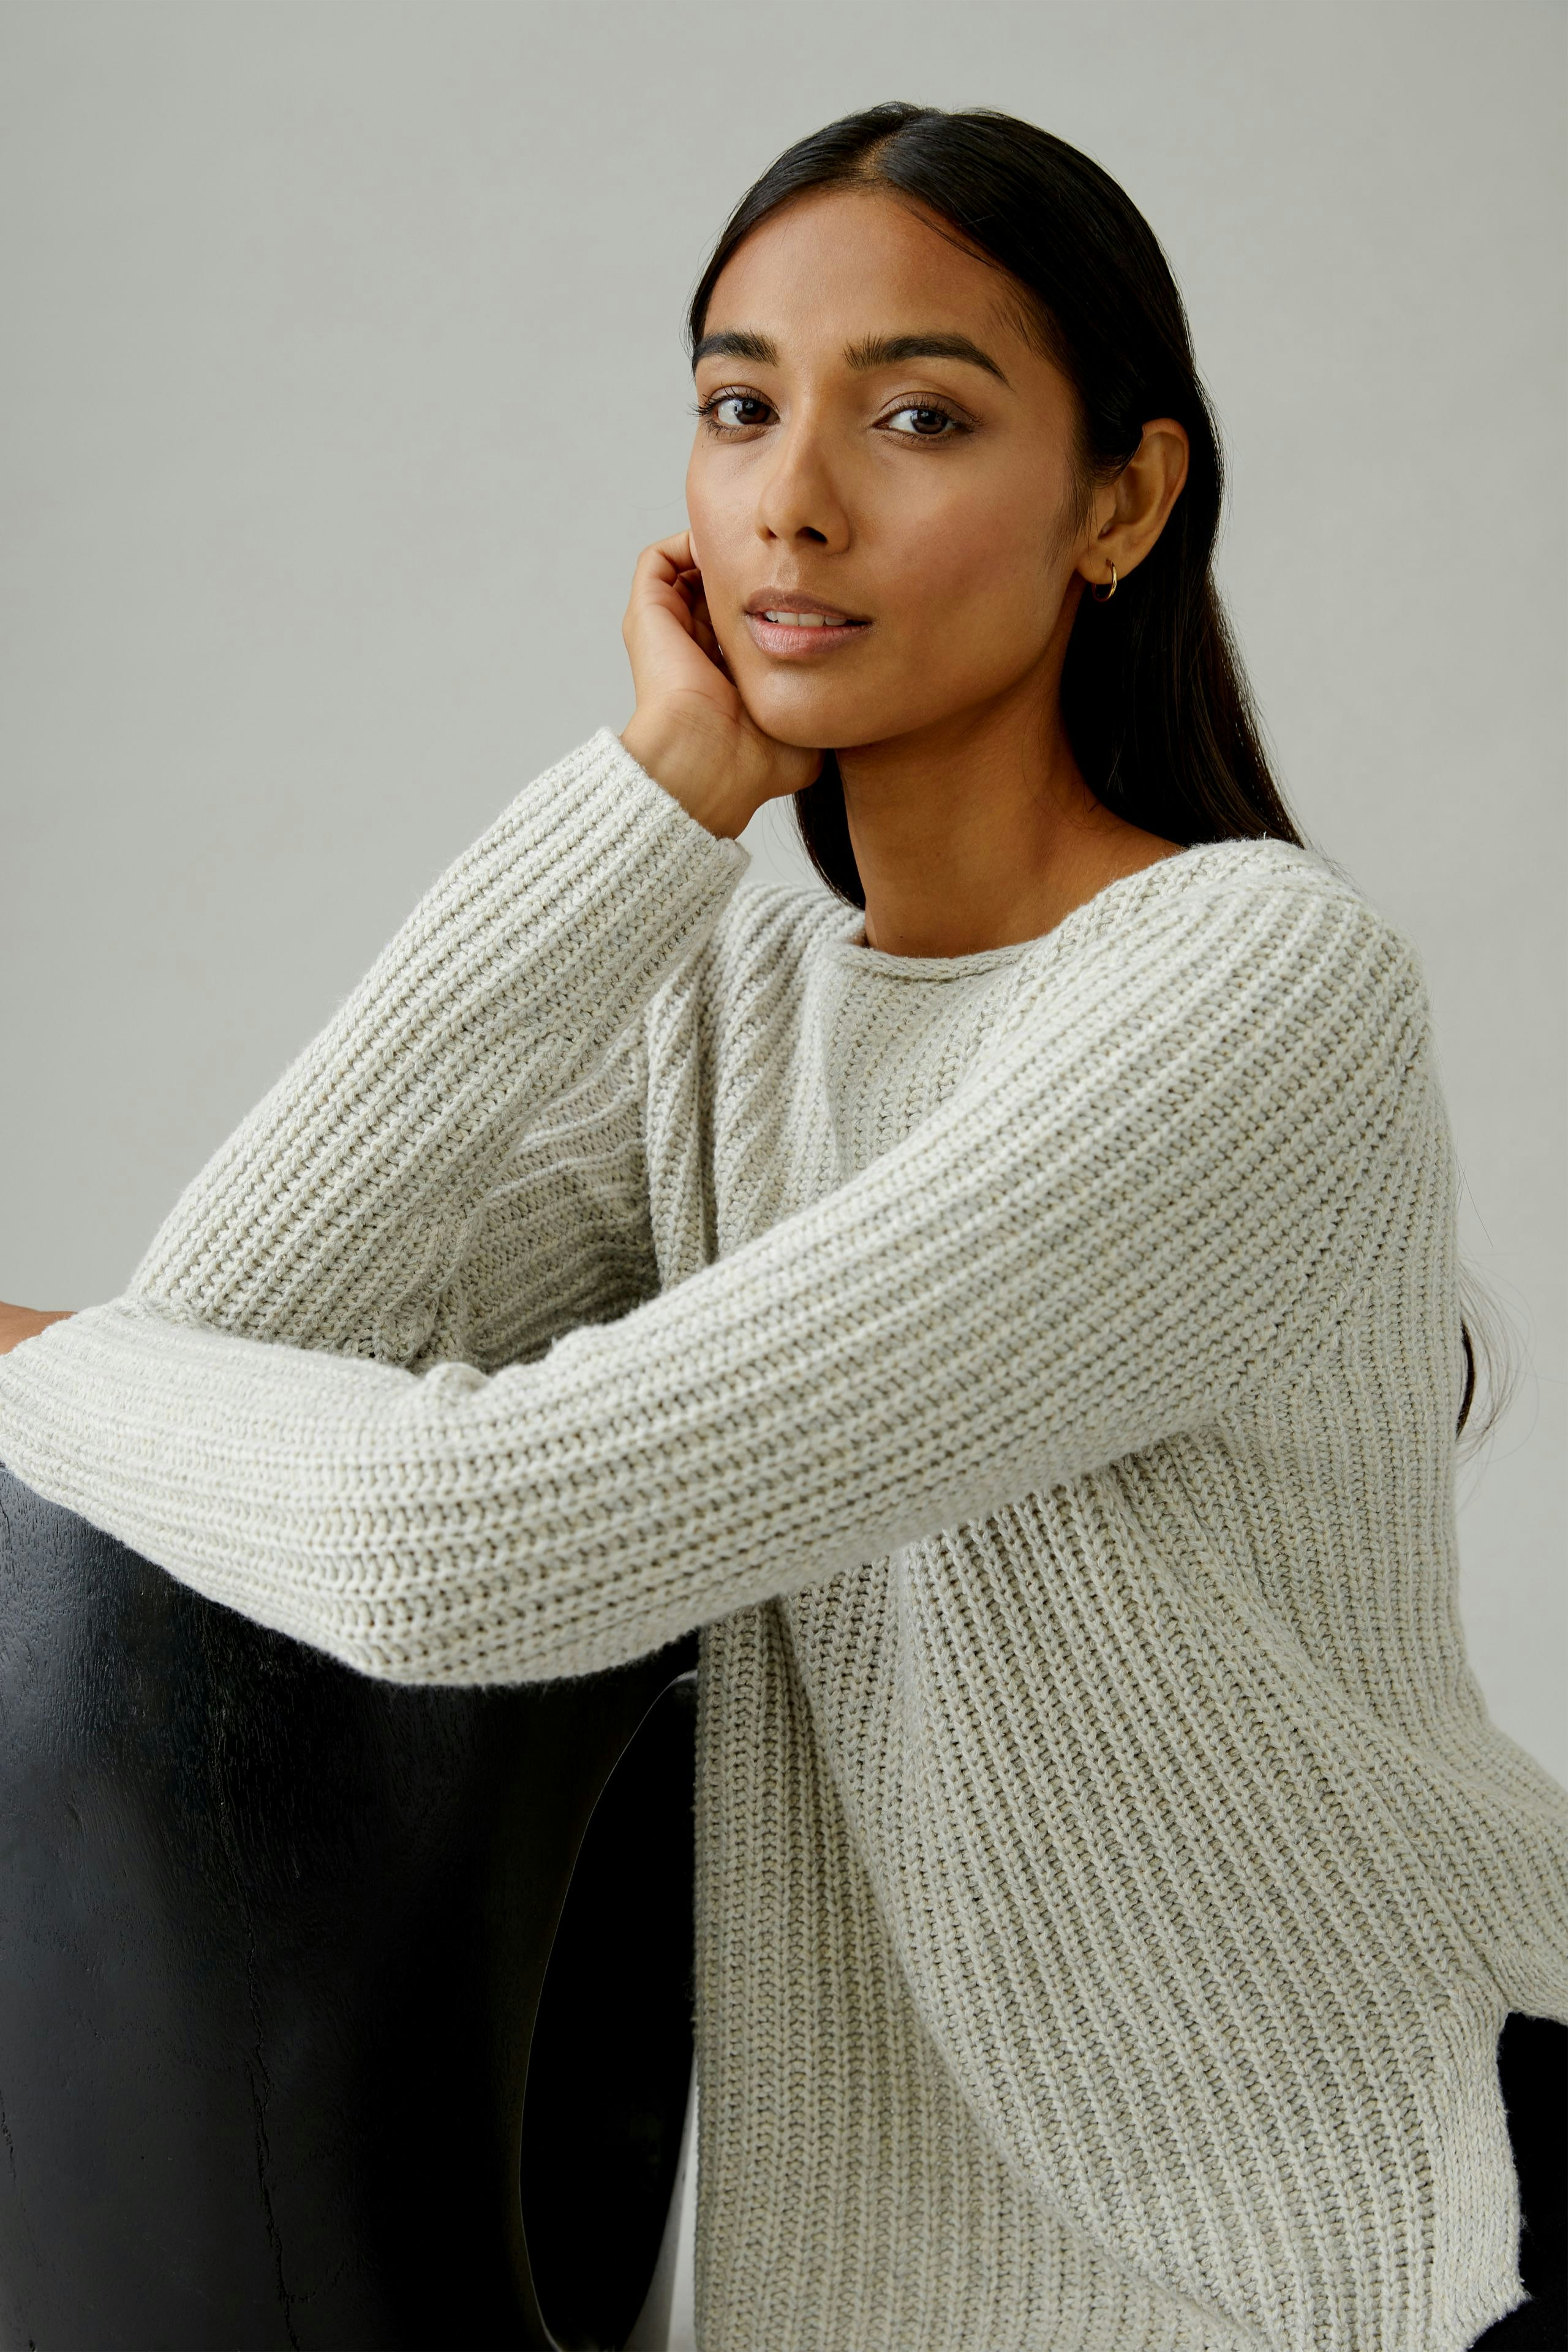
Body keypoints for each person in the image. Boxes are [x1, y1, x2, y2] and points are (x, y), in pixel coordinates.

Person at [1, 102, 1564, 2352]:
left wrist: (27, 1351)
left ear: (1123, 500)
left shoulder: (1249, 989)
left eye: (918, 414)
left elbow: (470, 1538)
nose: (793, 498)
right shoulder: (738, 1003)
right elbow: (239, 1340)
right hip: (916, 2283)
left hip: (1381, 2237)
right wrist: (648, 808)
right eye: (740, 407)